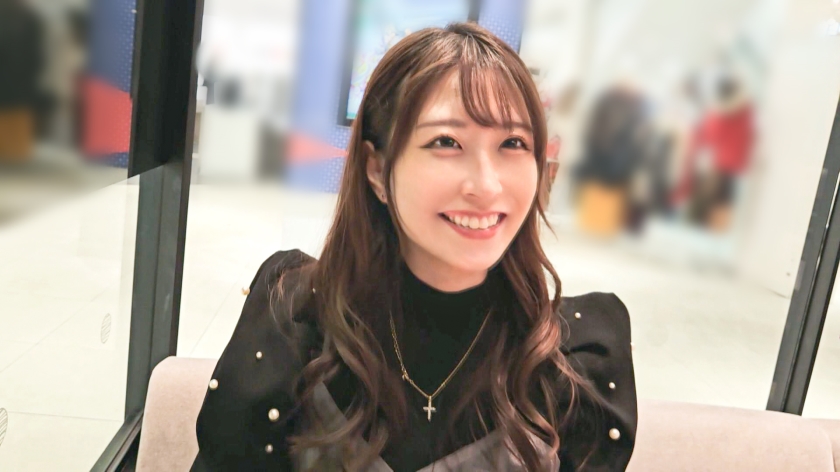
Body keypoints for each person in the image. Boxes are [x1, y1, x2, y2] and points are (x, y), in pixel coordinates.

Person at [192, 22, 636, 471]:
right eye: (447, 142)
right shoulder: (294, 320)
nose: (487, 185)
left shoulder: (575, 359)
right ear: (377, 169)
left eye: (513, 143)